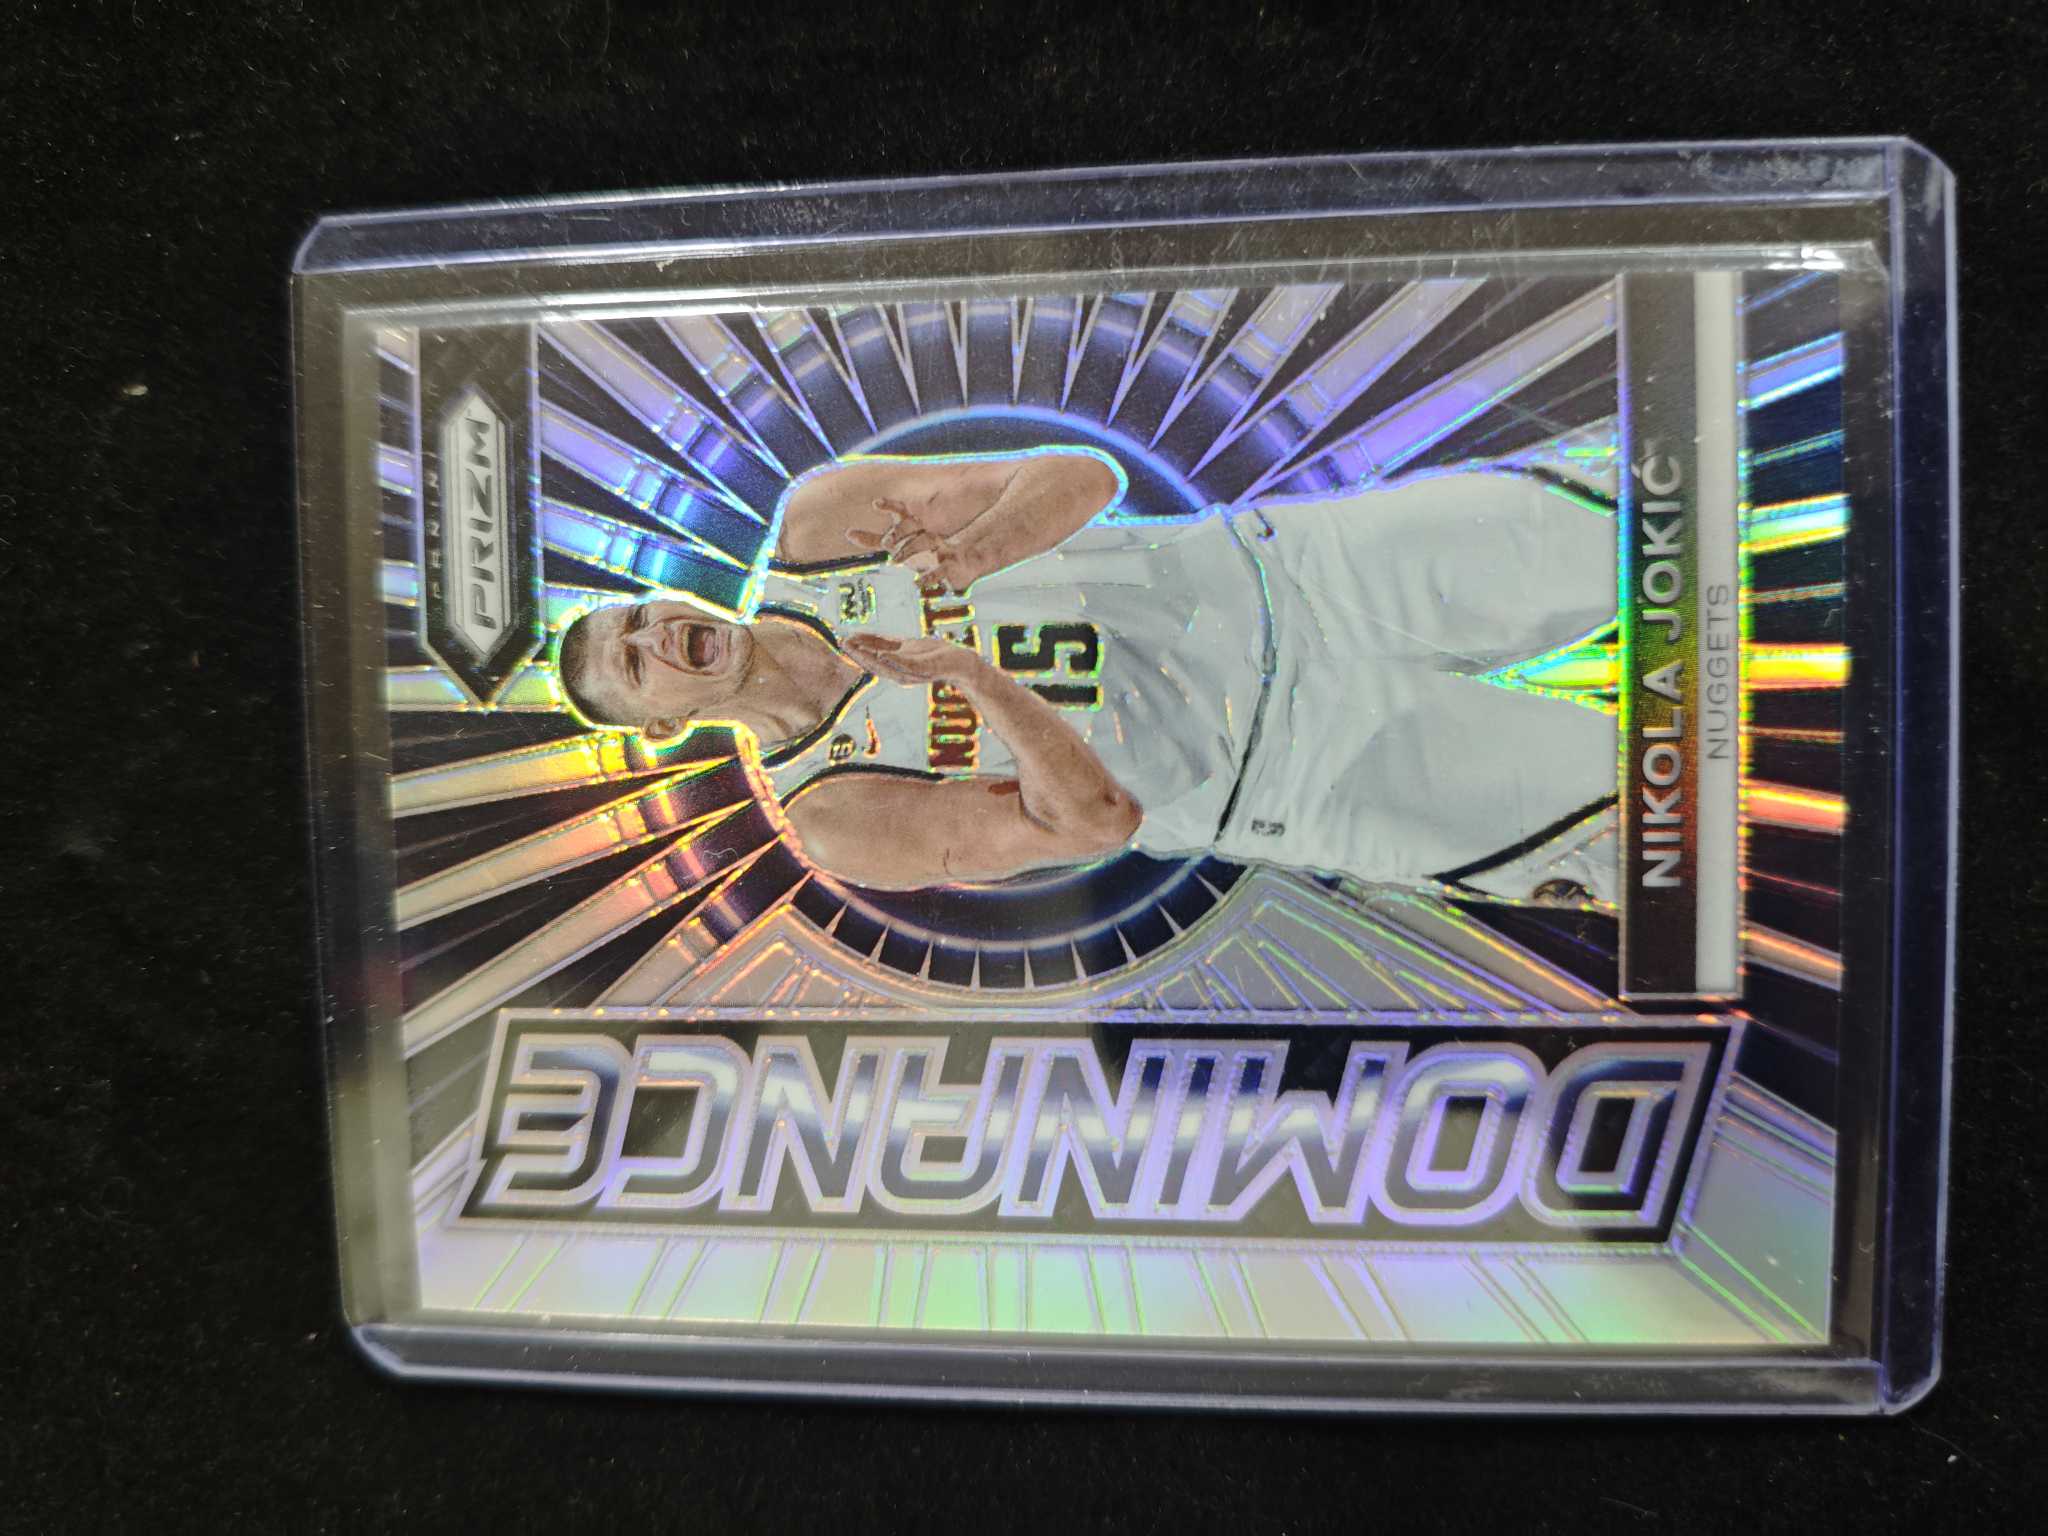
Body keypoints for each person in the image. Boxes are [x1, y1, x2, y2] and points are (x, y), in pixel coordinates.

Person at [556, 447, 1619, 900]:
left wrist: (971, 553)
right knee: (1659, 818)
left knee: (1646, 530)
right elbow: (1096, 826)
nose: (656, 637)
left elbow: (1081, 475)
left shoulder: (822, 526)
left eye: (639, 617)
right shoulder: (833, 814)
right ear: (662, 726)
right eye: (634, 666)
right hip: (1292, 772)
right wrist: (977, 680)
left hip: (1298, 576)